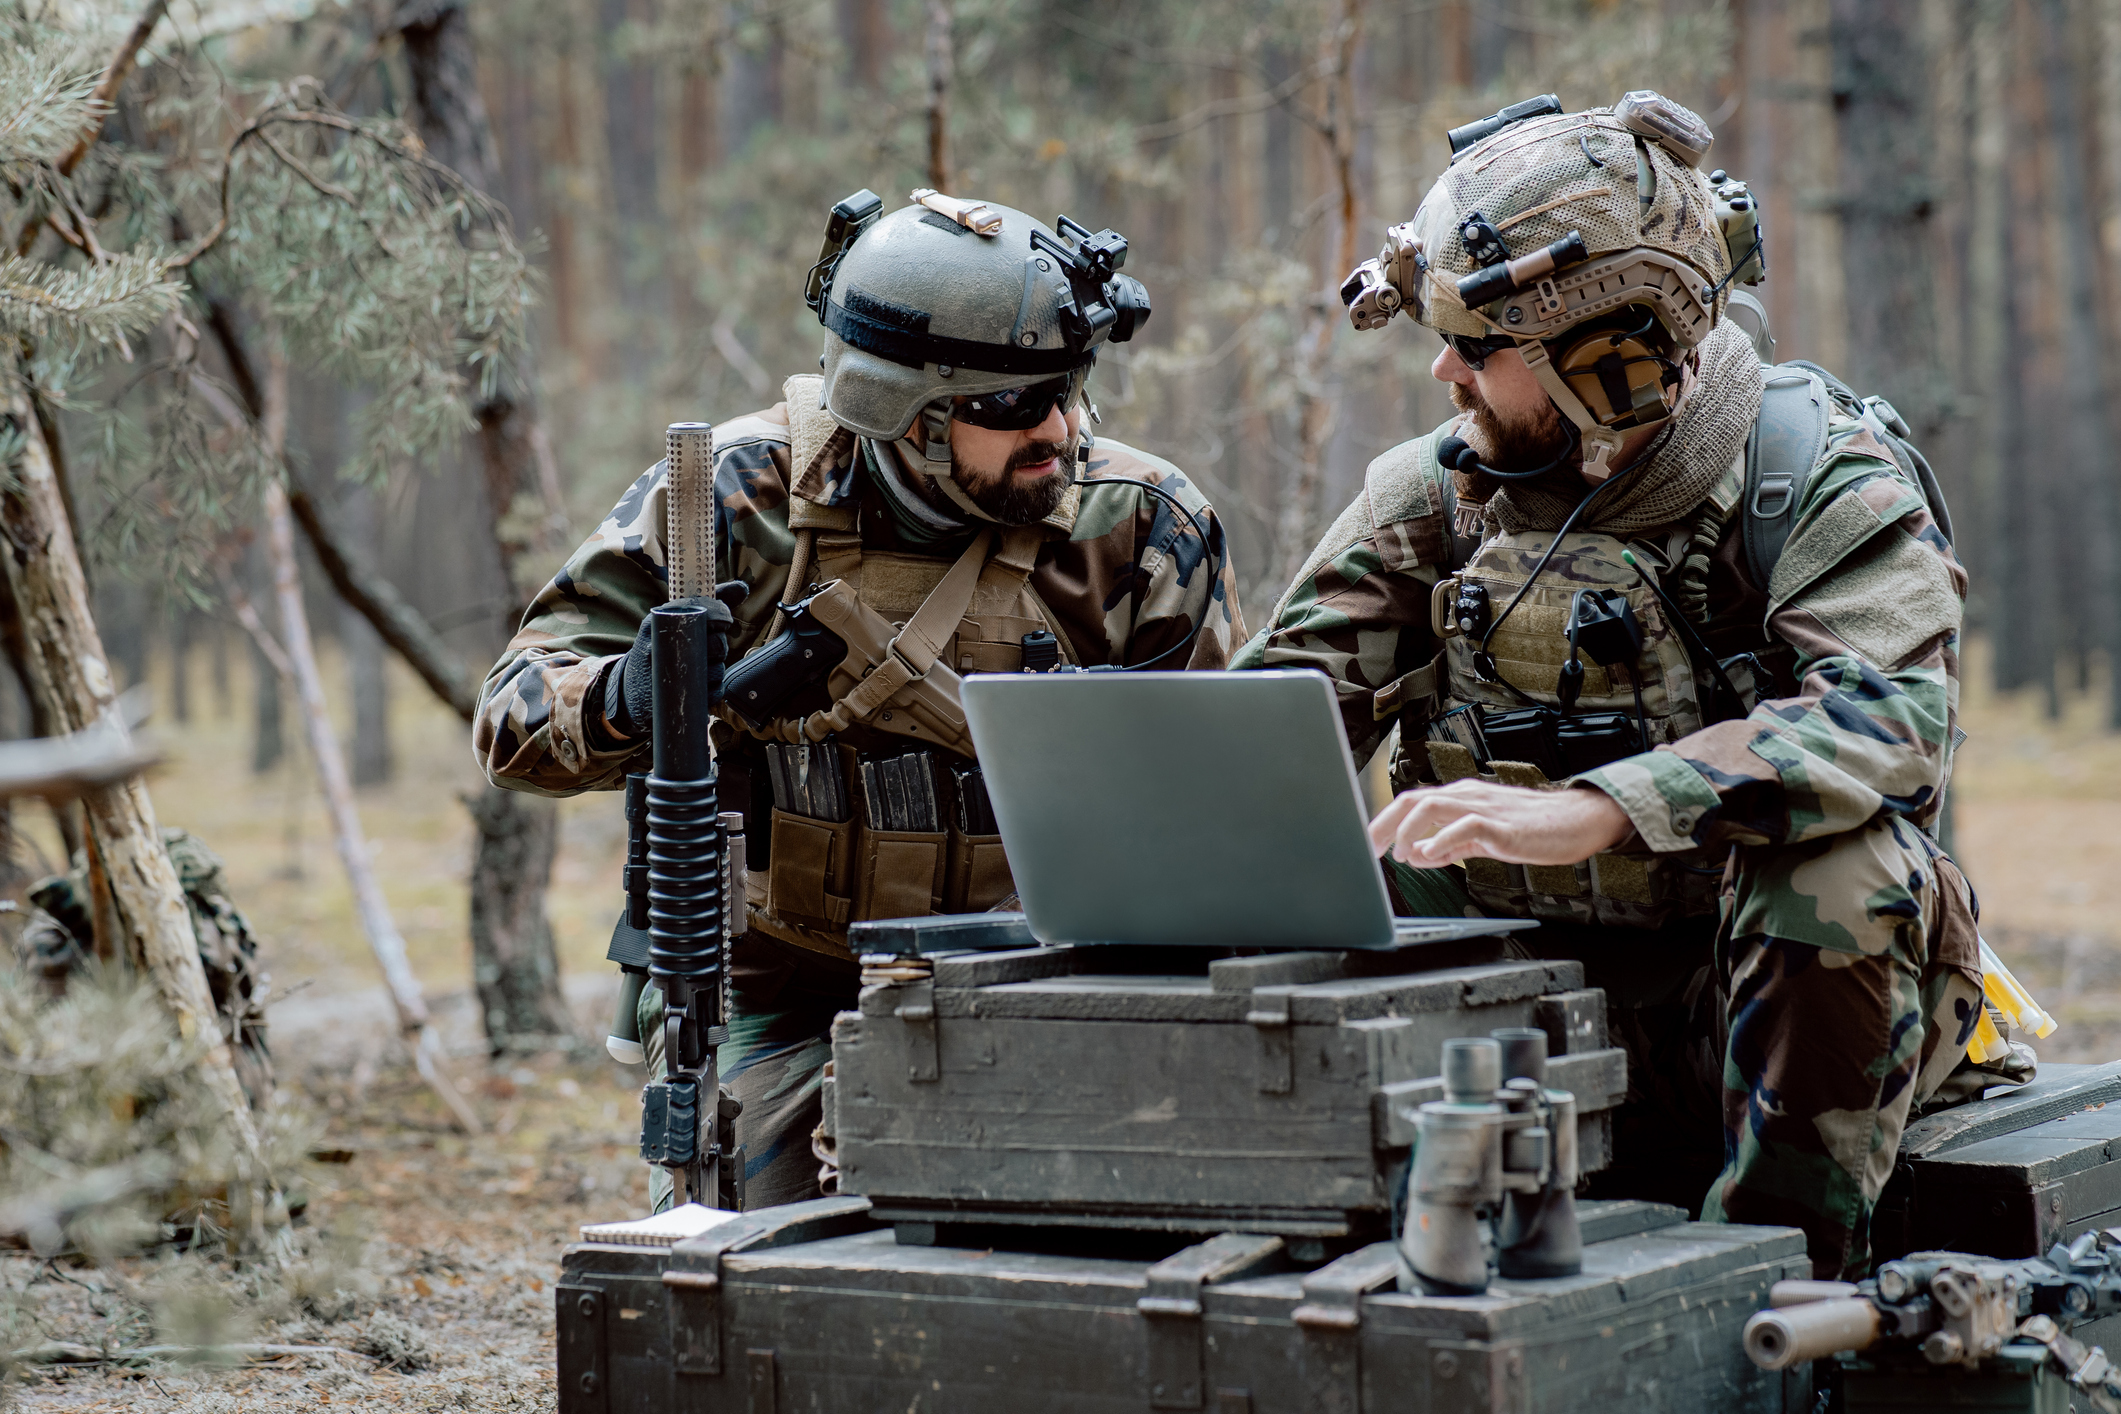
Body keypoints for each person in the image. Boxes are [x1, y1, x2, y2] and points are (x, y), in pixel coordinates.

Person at [1236, 93, 1981, 1279]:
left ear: (1614, 359)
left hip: (1744, 1003)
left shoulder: (1809, 472)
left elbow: (1889, 721)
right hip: (1500, 1005)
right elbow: (1265, 731)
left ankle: (1779, 1278)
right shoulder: (1437, 494)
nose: (1444, 374)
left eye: (1480, 350)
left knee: (1852, 870)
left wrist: (1605, 807)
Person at [476, 188, 1244, 1210]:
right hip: (783, 986)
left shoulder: (1137, 525)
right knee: (751, 1267)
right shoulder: (735, 500)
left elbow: (1218, 828)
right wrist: (647, 688)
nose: (1057, 428)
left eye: (1067, 387)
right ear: (909, 415)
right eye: (1011, 406)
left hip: (1039, 983)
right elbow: (515, 716)